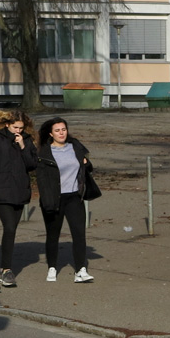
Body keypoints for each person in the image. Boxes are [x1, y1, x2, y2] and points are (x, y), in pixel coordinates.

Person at [34, 117, 95, 283]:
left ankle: (80, 270)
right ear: (51, 134)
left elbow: (86, 166)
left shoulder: (75, 146)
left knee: (79, 233)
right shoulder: (44, 152)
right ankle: (52, 267)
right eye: (57, 130)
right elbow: (41, 179)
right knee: (53, 234)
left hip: (74, 197)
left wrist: (86, 163)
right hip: (54, 198)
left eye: (63, 129)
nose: (61, 133)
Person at [0, 110, 37, 288]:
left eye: (21, 128)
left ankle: (4, 268)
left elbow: (32, 164)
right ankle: (5, 270)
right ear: (7, 124)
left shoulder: (26, 140)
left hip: (20, 190)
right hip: (1, 190)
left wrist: (23, 146)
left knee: (12, 230)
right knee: (9, 227)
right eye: (15, 127)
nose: (18, 131)